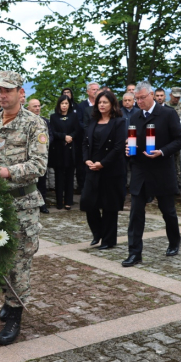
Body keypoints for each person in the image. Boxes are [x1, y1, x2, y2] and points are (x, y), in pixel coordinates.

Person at [0, 71, 48, 345]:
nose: (2, 95)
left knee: (19, 261)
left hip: (22, 204)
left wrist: (8, 171)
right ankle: (9, 299)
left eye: (8, 90)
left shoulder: (35, 124)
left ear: (21, 92)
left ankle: (16, 313)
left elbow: (39, 165)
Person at [122, 81, 181, 267]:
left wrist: (163, 151)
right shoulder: (134, 116)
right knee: (136, 213)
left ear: (152, 95)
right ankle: (135, 253)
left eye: (142, 98)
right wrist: (129, 149)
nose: (139, 101)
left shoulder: (167, 114)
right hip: (141, 170)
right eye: (137, 99)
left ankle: (174, 241)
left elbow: (180, 140)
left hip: (161, 169)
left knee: (168, 211)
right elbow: (132, 140)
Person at [81, 91, 126, 249]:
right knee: (87, 202)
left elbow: (118, 147)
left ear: (112, 104)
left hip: (111, 169)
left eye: (105, 102)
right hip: (92, 167)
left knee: (109, 207)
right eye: (99, 102)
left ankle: (108, 240)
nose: (101, 105)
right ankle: (98, 233)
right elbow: (85, 142)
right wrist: (86, 159)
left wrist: (103, 163)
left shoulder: (119, 122)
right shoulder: (93, 121)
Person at [49, 95, 80, 210]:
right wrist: (64, 137)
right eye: (62, 103)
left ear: (69, 105)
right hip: (58, 150)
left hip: (70, 150)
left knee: (70, 177)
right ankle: (59, 202)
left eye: (66, 103)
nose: (64, 106)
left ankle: (68, 201)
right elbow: (52, 131)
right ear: (59, 105)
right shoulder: (53, 117)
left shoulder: (74, 116)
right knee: (59, 177)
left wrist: (70, 137)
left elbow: (77, 130)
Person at [28, 98, 53, 213]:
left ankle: (42, 205)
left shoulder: (45, 121)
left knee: (42, 181)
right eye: (35, 106)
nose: (37, 108)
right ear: (29, 108)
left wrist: (43, 145)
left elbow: (51, 136)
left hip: (41, 157)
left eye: (39, 106)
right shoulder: (26, 121)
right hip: (27, 158)